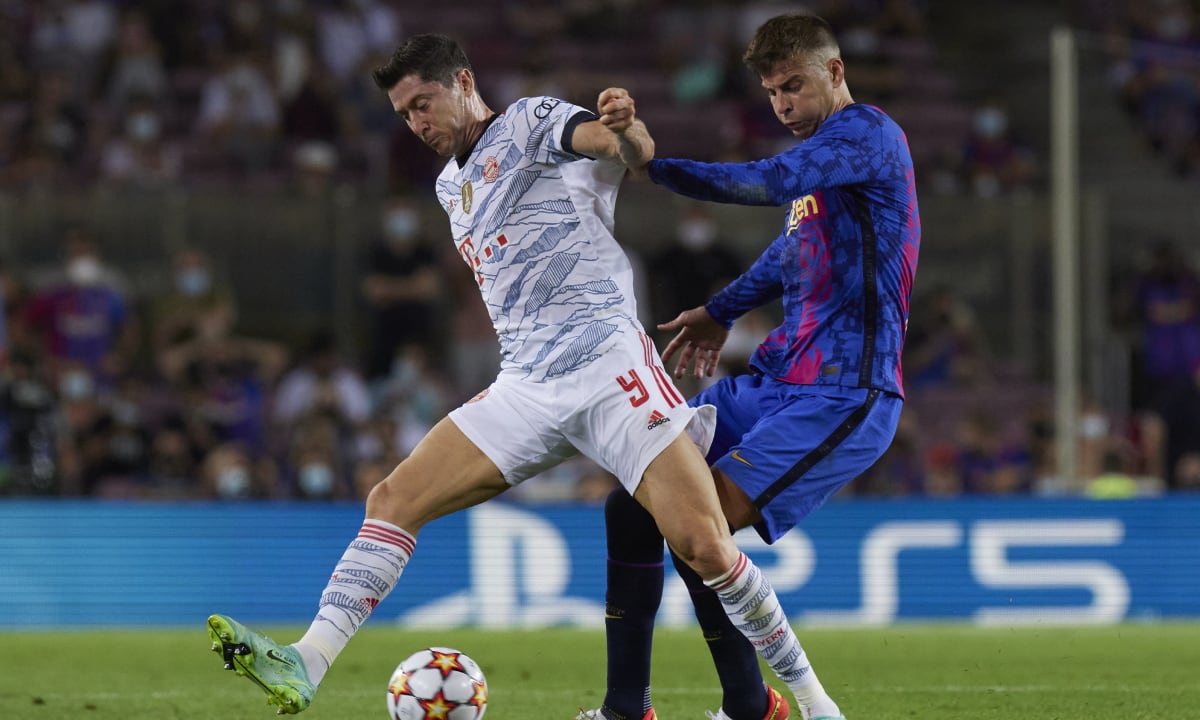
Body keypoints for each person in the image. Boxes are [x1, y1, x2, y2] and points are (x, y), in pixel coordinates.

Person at [206, 33, 820, 717]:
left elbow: (622, 150)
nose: (417, 122)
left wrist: (625, 127)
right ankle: (306, 662)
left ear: (463, 83)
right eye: (405, 112)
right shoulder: (449, 187)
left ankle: (804, 705)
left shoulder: (528, 122)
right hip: (527, 386)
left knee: (704, 544)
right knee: (392, 499)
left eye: (424, 102)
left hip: (608, 370)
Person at [588, 14, 920, 720]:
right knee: (634, 506)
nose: (784, 105)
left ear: (835, 71)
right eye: (772, 93)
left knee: (694, 522)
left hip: (843, 394)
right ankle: (626, 710)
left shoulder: (867, 137)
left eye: (794, 86)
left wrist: (654, 167)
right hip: (777, 381)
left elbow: (771, 180)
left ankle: (751, 707)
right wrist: (722, 307)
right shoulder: (828, 166)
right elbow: (793, 250)